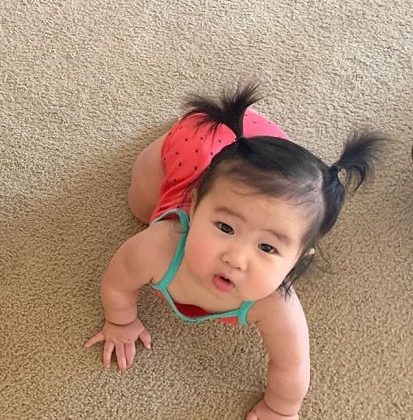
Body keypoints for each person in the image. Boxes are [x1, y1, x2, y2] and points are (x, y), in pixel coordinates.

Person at [85, 84, 385, 420]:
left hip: (270, 152)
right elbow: (118, 280)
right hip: (193, 146)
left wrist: (281, 409)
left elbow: (292, 362)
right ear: (195, 207)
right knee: (139, 204)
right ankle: (203, 127)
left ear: (299, 259)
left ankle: (254, 135)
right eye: (225, 228)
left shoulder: (275, 305)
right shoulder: (159, 246)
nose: (236, 258)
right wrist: (121, 320)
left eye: (268, 247)